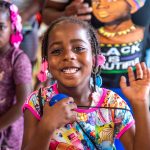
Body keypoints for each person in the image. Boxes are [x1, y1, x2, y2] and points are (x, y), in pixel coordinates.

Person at [22, 17, 150, 150]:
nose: (68, 56)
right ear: (46, 62)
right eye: (56, 51)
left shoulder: (112, 104)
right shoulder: (37, 102)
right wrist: (47, 126)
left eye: (78, 48)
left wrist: (141, 103)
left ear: (95, 59)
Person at [0, 1, 32, 149]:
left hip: (8, 131)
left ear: (12, 28)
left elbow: (23, 103)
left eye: (1, 27)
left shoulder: (18, 59)